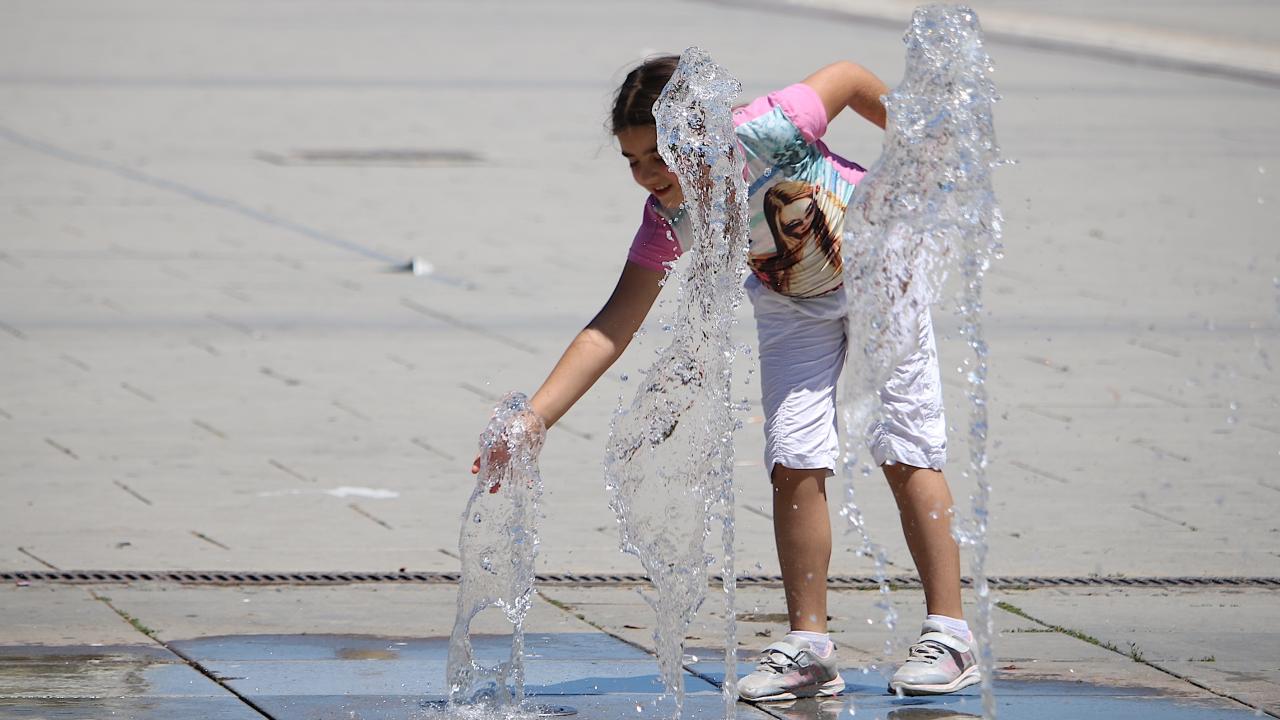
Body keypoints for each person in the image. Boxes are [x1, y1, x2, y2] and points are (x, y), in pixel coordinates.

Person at [470, 55, 980, 701]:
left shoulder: (767, 132)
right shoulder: (670, 218)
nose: (646, 175)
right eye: (632, 160)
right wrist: (534, 418)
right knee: (792, 454)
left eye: (657, 154)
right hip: (791, 300)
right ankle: (809, 648)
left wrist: (920, 145)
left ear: (700, 134)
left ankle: (951, 633)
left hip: (887, 272)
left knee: (904, 443)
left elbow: (849, 77)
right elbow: (611, 326)